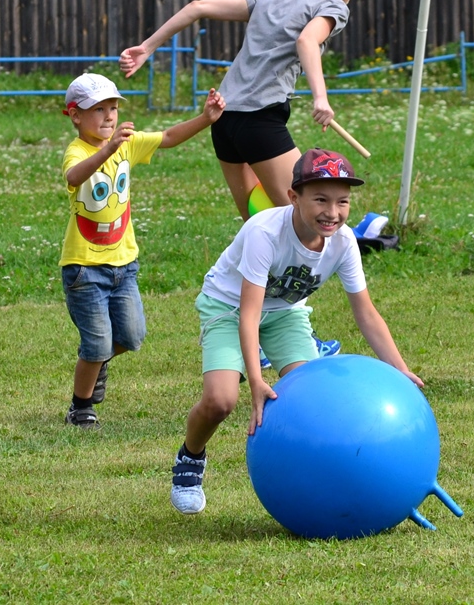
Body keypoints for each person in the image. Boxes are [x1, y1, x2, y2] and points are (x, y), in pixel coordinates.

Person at [119, 0, 363, 360]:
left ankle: (256, 332)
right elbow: (307, 43)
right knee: (302, 222)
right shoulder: (333, 6)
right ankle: (292, 337)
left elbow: (196, 7)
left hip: (225, 123)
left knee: (260, 221)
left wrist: (148, 47)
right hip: (261, 123)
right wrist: (320, 97)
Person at [168, 148, 424, 514]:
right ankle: (190, 459)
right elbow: (249, 313)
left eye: (342, 202)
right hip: (229, 307)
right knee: (221, 400)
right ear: (293, 197)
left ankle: (316, 477)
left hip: (286, 313)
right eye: (320, 199)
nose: (332, 213)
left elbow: (365, 312)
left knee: (310, 398)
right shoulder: (264, 232)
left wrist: (399, 369)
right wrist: (255, 380)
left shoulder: (344, 242)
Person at [60, 72, 226, 428]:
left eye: (113, 108)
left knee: (131, 337)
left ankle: (96, 360)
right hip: (84, 268)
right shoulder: (78, 151)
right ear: (75, 115)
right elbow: (74, 177)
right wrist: (107, 150)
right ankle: (81, 405)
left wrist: (205, 119)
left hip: (124, 265)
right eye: (98, 109)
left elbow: (167, 137)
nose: (108, 116)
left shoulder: (129, 144)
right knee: (98, 342)